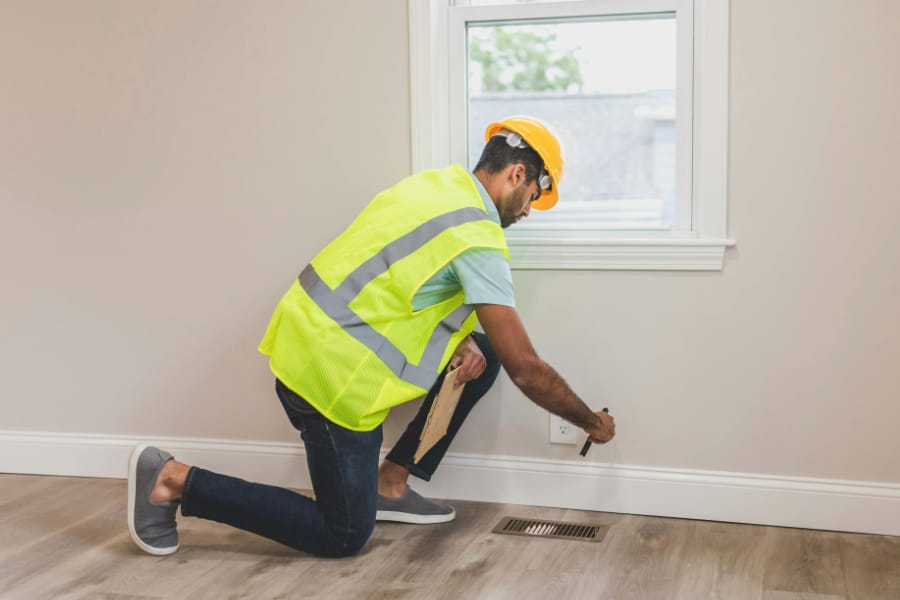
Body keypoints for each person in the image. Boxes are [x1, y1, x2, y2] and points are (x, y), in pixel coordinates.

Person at [127, 116, 616, 558]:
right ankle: (171, 481)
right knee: (341, 535)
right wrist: (588, 419)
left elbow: (402, 281)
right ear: (518, 175)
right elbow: (526, 369)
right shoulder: (480, 238)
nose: (529, 210)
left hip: (303, 336)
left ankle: (391, 483)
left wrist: (464, 341)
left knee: (482, 351)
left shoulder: (434, 187)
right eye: (535, 195)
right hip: (333, 381)